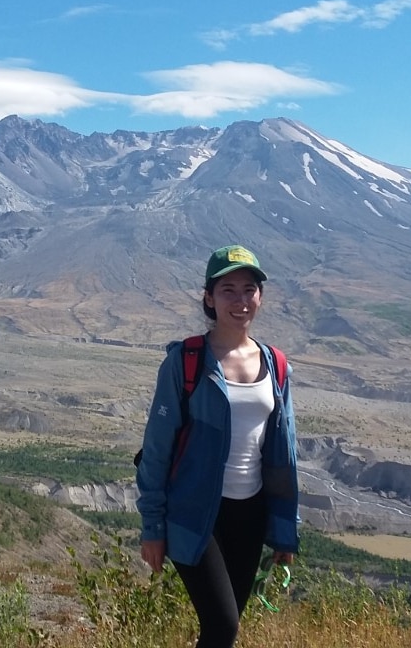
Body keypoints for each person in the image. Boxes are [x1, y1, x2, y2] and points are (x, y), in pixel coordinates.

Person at [136, 245, 299, 648]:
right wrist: (152, 529)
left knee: (222, 631)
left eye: (249, 289)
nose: (240, 300)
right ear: (209, 297)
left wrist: (283, 532)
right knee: (223, 625)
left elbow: (284, 457)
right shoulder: (187, 361)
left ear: (260, 296)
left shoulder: (275, 364)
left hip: (250, 513)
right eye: (228, 290)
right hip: (194, 515)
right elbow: (156, 450)